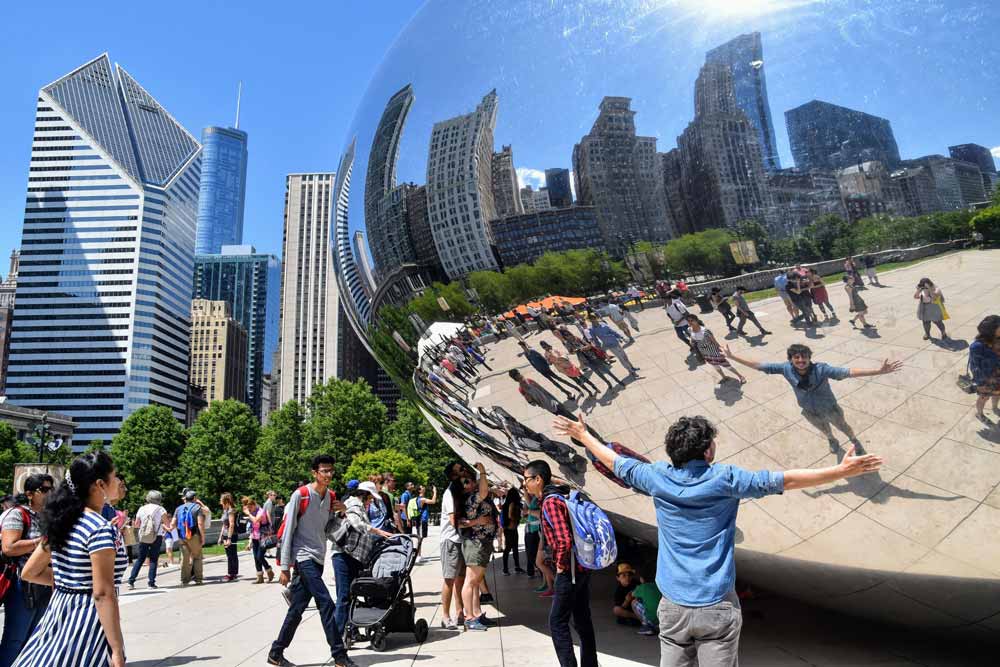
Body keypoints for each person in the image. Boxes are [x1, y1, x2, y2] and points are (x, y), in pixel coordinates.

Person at [554, 412, 884, 667]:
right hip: (717, 605)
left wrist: (582, 435)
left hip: (673, 608)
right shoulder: (725, 479)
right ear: (708, 449)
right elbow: (785, 480)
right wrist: (839, 472)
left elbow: (614, 461)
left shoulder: (656, 477)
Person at [13, 452, 127, 667]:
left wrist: (68, 582)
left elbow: (30, 572)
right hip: (88, 619)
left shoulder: (64, 520)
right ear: (100, 484)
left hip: (59, 612)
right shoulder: (100, 529)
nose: (119, 481)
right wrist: (117, 649)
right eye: (115, 477)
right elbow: (102, 593)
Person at [726, 343, 902, 451]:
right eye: (797, 358)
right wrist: (733, 357)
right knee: (824, 430)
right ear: (790, 360)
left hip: (829, 407)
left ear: (810, 358)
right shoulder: (785, 368)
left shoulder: (821, 369)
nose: (801, 361)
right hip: (809, 410)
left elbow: (848, 372)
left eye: (804, 357)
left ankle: (854, 440)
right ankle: (831, 440)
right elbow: (759, 365)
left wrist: (877, 371)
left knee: (844, 427)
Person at [269, 454, 355, 667]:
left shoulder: (330, 496)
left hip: (317, 557)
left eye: (331, 471)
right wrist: (285, 566)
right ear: (314, 473)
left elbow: (328, 528)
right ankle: (340, 656)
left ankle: (275, 653)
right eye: (324, 471)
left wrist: (342, 513)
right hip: (302, 556)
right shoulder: (301, 495)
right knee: (326, 602)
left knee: (297, 608)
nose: (328, 474)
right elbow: (288, 531)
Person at [523, 459, 598, 667]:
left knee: (557, 623)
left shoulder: (550, 502)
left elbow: (563, 539)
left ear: (538, 479)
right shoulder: (559, 496)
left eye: (526, 479)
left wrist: (560, 565)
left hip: (570, 570)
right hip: (581, 567)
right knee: (582, 620)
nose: (525, 484)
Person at [328, 481, 394, 651]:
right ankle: (337, 638)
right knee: (343, 597)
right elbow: (357, 525)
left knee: (351, 596)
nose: (371, 501)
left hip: (353, 556)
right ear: (365, 494)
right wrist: (378, 532)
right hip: (344, 555)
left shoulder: (356, 505)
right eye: (371, 497)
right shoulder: (354, 504)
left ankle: (351, 631)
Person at [0, 474, 54, 666]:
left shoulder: (48, 515)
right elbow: (9, 547)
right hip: (21, 585)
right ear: (30, 494)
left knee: (35, 639)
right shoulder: (17, 514)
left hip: (44, 583)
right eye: (45, 490)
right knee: (15, 639)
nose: (50, 493)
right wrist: (40, 543)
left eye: (51, 489)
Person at [458, 462, 495, 631]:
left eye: (470, 480)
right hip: (476, 542)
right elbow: (484, 491)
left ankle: (477, 614)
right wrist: (483, 472)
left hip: (481, 542)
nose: (469, 483)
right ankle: (470, 618)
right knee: (471, 582)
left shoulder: (475, 496)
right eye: (465, 482)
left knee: (476, 581)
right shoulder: (472, 498)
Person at [439, 462, 469, 630]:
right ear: (453, 476)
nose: (464, 471)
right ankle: (445, 616)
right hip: (450, 540)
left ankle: (459, 613)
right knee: (449, 579)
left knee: (460, 579)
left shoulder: (459, 492)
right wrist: (474, 523)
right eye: (460, 470)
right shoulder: (450, 493)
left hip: (460, 540)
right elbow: (453, 521)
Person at [685, 315, 746, 385]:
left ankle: (740, 376)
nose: (690, 322)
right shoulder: (689, 329)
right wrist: (691, 341)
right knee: (715, 365)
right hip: (704, 353)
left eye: (691, 320)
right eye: (688, 321)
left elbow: (715, 342)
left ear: (696, 320)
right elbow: (692, 337)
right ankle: (724, 377)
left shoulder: (705, 331)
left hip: (714, 352)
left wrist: (722, 350)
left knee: (726, 365)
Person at [126, 490, 166, 591]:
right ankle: (151, 583)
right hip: (157, 536)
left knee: (140, 559)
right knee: (153, 559)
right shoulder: (161, 509)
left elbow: (137, 524)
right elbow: (167, 523)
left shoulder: (142, 508)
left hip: (143, 536)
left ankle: (131, 581)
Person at [970, 315, 1000, 424]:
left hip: (998, 376)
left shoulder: (998, 339)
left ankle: (995, 408)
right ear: (992, 330)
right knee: (984, 398)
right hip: (986, 379)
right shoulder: (977, 346)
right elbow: (975, 367)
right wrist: (981, 383)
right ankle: (980, 414)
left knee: (997, 394)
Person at [172, 489, 205, 586]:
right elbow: (200, 523)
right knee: (197, 557)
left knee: (184, 558)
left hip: (182, 536)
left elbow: (173, 523)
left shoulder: (178, 508)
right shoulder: (197, 507)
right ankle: (198, 579)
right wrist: (202, 537)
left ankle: (184, 580)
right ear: (194, 498)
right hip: (194, 535)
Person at [242, 496, 275, 584]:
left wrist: (248, 514)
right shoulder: (252, 512)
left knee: (259, 556)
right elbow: (252, 528)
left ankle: (269, 570)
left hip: (263, 537)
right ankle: (260, 577)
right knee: (255, 558)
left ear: (254, 505)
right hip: (255, 537)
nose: (250, 510)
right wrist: (250, 542)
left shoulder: (261, 511)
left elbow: (256, 521)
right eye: (248, 508)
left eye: (250, 508)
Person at [501, 485, 524, 576]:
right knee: (510, 549)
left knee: (511, 548)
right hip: (511, 529)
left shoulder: (506, 504)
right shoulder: (512, 503)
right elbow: (511, 516)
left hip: (508, 529)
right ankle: (507, 569)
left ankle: (510, 568)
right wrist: (518, 518)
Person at [219, 493, 240, 582]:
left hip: (230, 535)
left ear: (226, 501)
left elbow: (231, 525)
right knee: (229, 555)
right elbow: (224, 525)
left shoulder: (231, 510)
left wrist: (229, 538)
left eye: (222, 501)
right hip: (225, 535)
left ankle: (232, 573)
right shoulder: (225, 510)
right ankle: (232, 573)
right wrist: (220, 537)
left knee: (232, 554)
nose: (221, 503)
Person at [523, 487, 541, 579]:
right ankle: (532, 572)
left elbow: (541, 514)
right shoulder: (534, 498)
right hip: (530, 529)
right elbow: (528, 504)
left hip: (536, 531)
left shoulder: (540, 497)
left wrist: (528, 511)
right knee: (530, 553)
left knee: (536, 555)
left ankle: (544, 576)